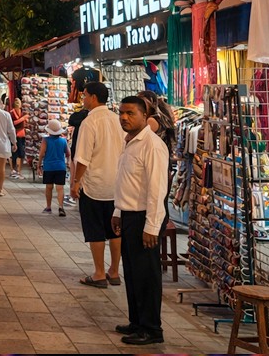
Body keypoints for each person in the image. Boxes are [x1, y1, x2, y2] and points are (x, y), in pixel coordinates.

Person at [112, 96, 170, 346]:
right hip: (128, 215)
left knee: (146, 275)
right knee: (133, 273)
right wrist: (117, 211)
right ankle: (137, 321)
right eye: (121, 113)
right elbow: (126, 182)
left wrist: (152, 226)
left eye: (130, 113)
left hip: (144, 217)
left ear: (145, 116)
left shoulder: (152, 145)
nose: (124, 118)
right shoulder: (130, 143)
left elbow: (157, 190)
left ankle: (151, 328)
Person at [71, 82, 124, 288]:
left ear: (93, 97)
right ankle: (114, 271)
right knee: (114, 229)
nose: (82, 99)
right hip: (116, 185)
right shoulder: (117, 120)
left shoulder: (89, 122)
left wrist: (76, 183)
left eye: (84, 95)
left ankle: (99, 273)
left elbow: (83, 158)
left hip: (94, 186)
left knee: (95, 230)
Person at [40, 119, 69, 216]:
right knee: (60, 188)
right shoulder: (63, 141)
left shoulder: (45, 140)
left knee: (49, 187)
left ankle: (48, 207)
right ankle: (61, 207)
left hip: (49, 167)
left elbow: (42, 154)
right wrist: (68, 163)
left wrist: (39, 164)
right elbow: (68, 153)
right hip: (61, 167)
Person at [8, 95, 28, 178]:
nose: (18, 104)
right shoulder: (11, 113)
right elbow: (13, 123)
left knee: (22, 153)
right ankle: (14, 170)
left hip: (22, 134)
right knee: (14, 153)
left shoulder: (22, 112)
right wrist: (23, 119)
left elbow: (25, 122)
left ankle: (19, 171)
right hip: (14, 134)